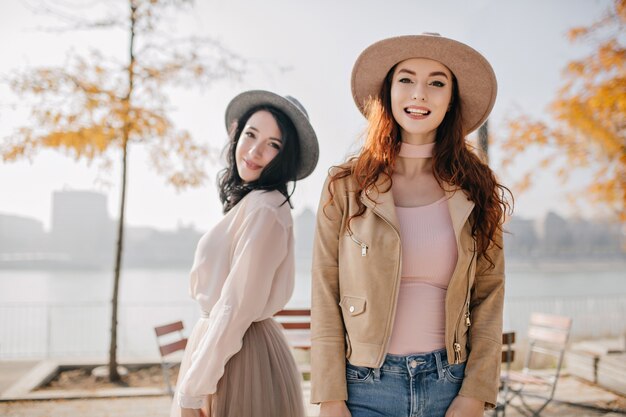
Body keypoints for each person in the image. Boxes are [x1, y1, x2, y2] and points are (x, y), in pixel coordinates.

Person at [311, 33, 513, 417]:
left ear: (451, 99)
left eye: (437, 82)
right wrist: (330, 397)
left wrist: (475, 393)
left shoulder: (477, 187)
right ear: (388, 91)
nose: (419, 94)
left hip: (449, 386)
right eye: (406, 79)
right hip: (363, 388)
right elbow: (324, 288)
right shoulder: (346, 184)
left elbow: (490, 295)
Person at [171, 90, 319, 417]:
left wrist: (192, 392)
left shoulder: (266, 208)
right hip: (227, 349)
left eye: (273, 145)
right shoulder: (255, 203)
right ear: (237, 135)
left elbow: (235, 305)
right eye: (250, 135)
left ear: (286, 157)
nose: (254, 150)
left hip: (237, 357)